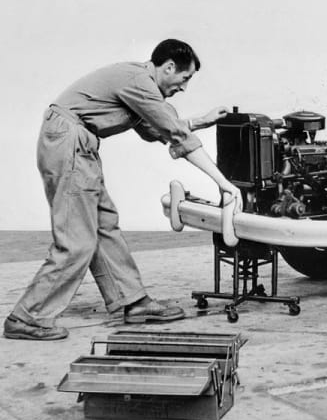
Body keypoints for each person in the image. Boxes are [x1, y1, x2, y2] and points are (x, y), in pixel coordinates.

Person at [4, 39, 240, 340]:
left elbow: (155, 130)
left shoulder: (139, 85)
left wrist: (202, 121)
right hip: (69, 143)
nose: (184, 87)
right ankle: (27, 317)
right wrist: (225, 184)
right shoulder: (139, 82)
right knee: (77, 241)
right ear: (169, 67)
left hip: (76, 144)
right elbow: (176, 135)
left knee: (104, 225)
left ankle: (132, 301)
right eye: (185, 78)